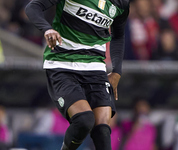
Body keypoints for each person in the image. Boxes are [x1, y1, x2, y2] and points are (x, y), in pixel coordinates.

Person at [25, 0, 129, 149]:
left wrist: (117, 71)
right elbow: (33, 7)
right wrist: (47, 29)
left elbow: (118, 36)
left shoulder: (122, 3)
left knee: (102, 131)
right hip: (62, 64)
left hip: (95, 67)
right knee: (84, 120)